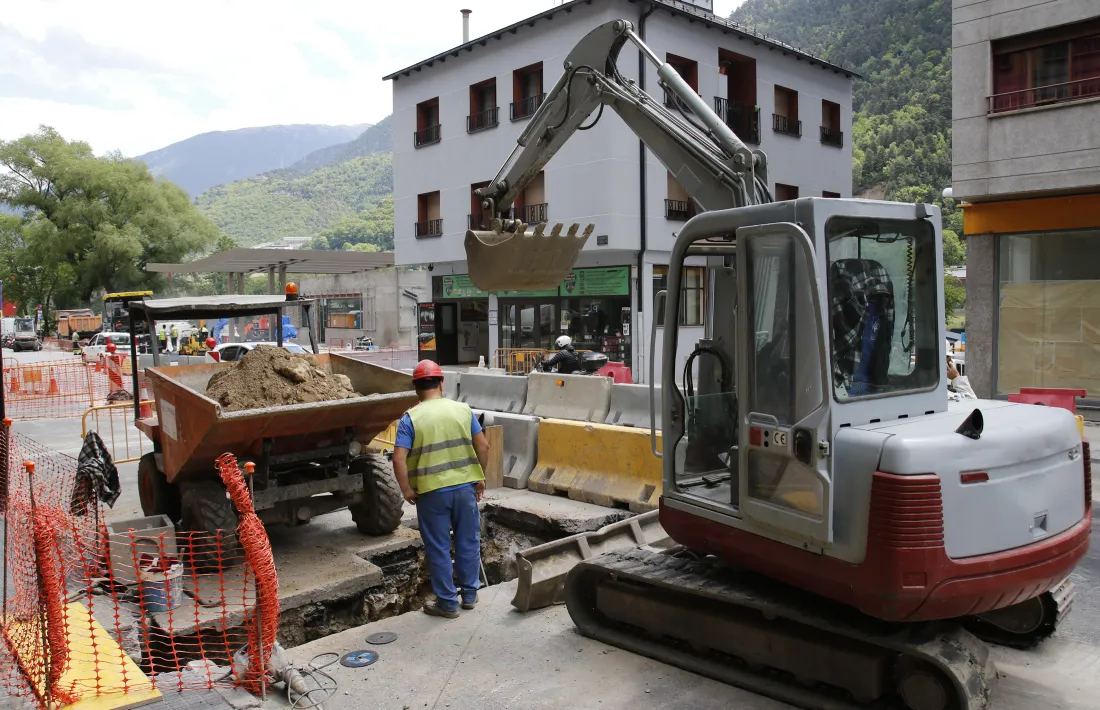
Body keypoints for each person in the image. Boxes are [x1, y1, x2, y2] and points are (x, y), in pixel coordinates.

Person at [392, 360, 489, 619]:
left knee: (438, 547)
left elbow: (399, 458)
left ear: (416, 388)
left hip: (432, 493)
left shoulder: (410, 418)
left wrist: (406, 490)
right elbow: (483, 446)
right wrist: (480, 477)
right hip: (465, 487)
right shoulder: (463, 410)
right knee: (468, 541)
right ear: (441, 383)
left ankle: (447, 603)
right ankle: (469, 595)